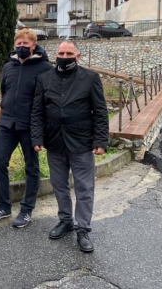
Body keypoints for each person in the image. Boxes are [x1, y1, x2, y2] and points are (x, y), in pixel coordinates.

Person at [31, 40, 109, 253]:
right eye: (61, 53)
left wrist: (100, 140)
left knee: (84, 188)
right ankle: (65, 220)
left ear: (78, 56)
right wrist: (37, 138)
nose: (65, 56)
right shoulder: (44, 78)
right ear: (55, 55)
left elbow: (100, 112)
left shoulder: (90, 78)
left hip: (81, 143)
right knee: (59, 184)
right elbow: (37, 111)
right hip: (54, 142)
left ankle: (82, 228)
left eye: (69, 53)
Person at [0, 28, 53, 228]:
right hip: (7, 123)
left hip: (30, 126)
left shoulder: (45, 68)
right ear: (15, 45)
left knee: (31, 167)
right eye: (19, 44)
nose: (22, 47)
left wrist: (41, 129)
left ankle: (26, 210)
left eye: (26, 44)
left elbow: (47, 100)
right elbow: (4, 91)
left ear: (34, 45)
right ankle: (3, 206)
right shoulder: (8, 67)